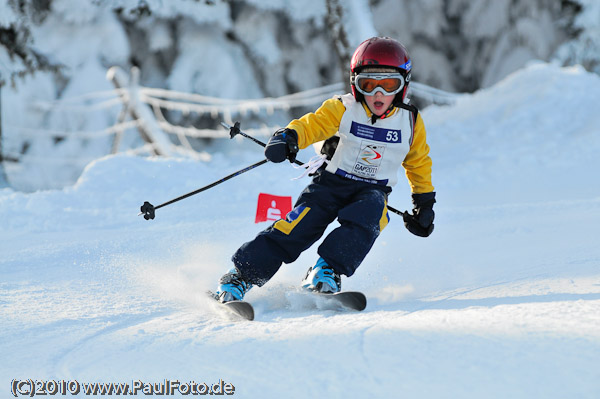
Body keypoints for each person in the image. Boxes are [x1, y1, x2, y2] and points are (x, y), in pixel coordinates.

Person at [214, 37, 435, 303]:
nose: (378, 93)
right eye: (368, 84)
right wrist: (289, 137)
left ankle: (325, 271)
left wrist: (423, 202)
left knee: (370, 217)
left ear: (403, 85)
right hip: (330, 184)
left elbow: (418, 161)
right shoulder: (343, 108)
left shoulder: (409, 121)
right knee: (296, 228)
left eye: (388, 84)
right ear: (355, 84)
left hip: (372, 191)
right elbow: (313, 124)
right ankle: (240, 276)